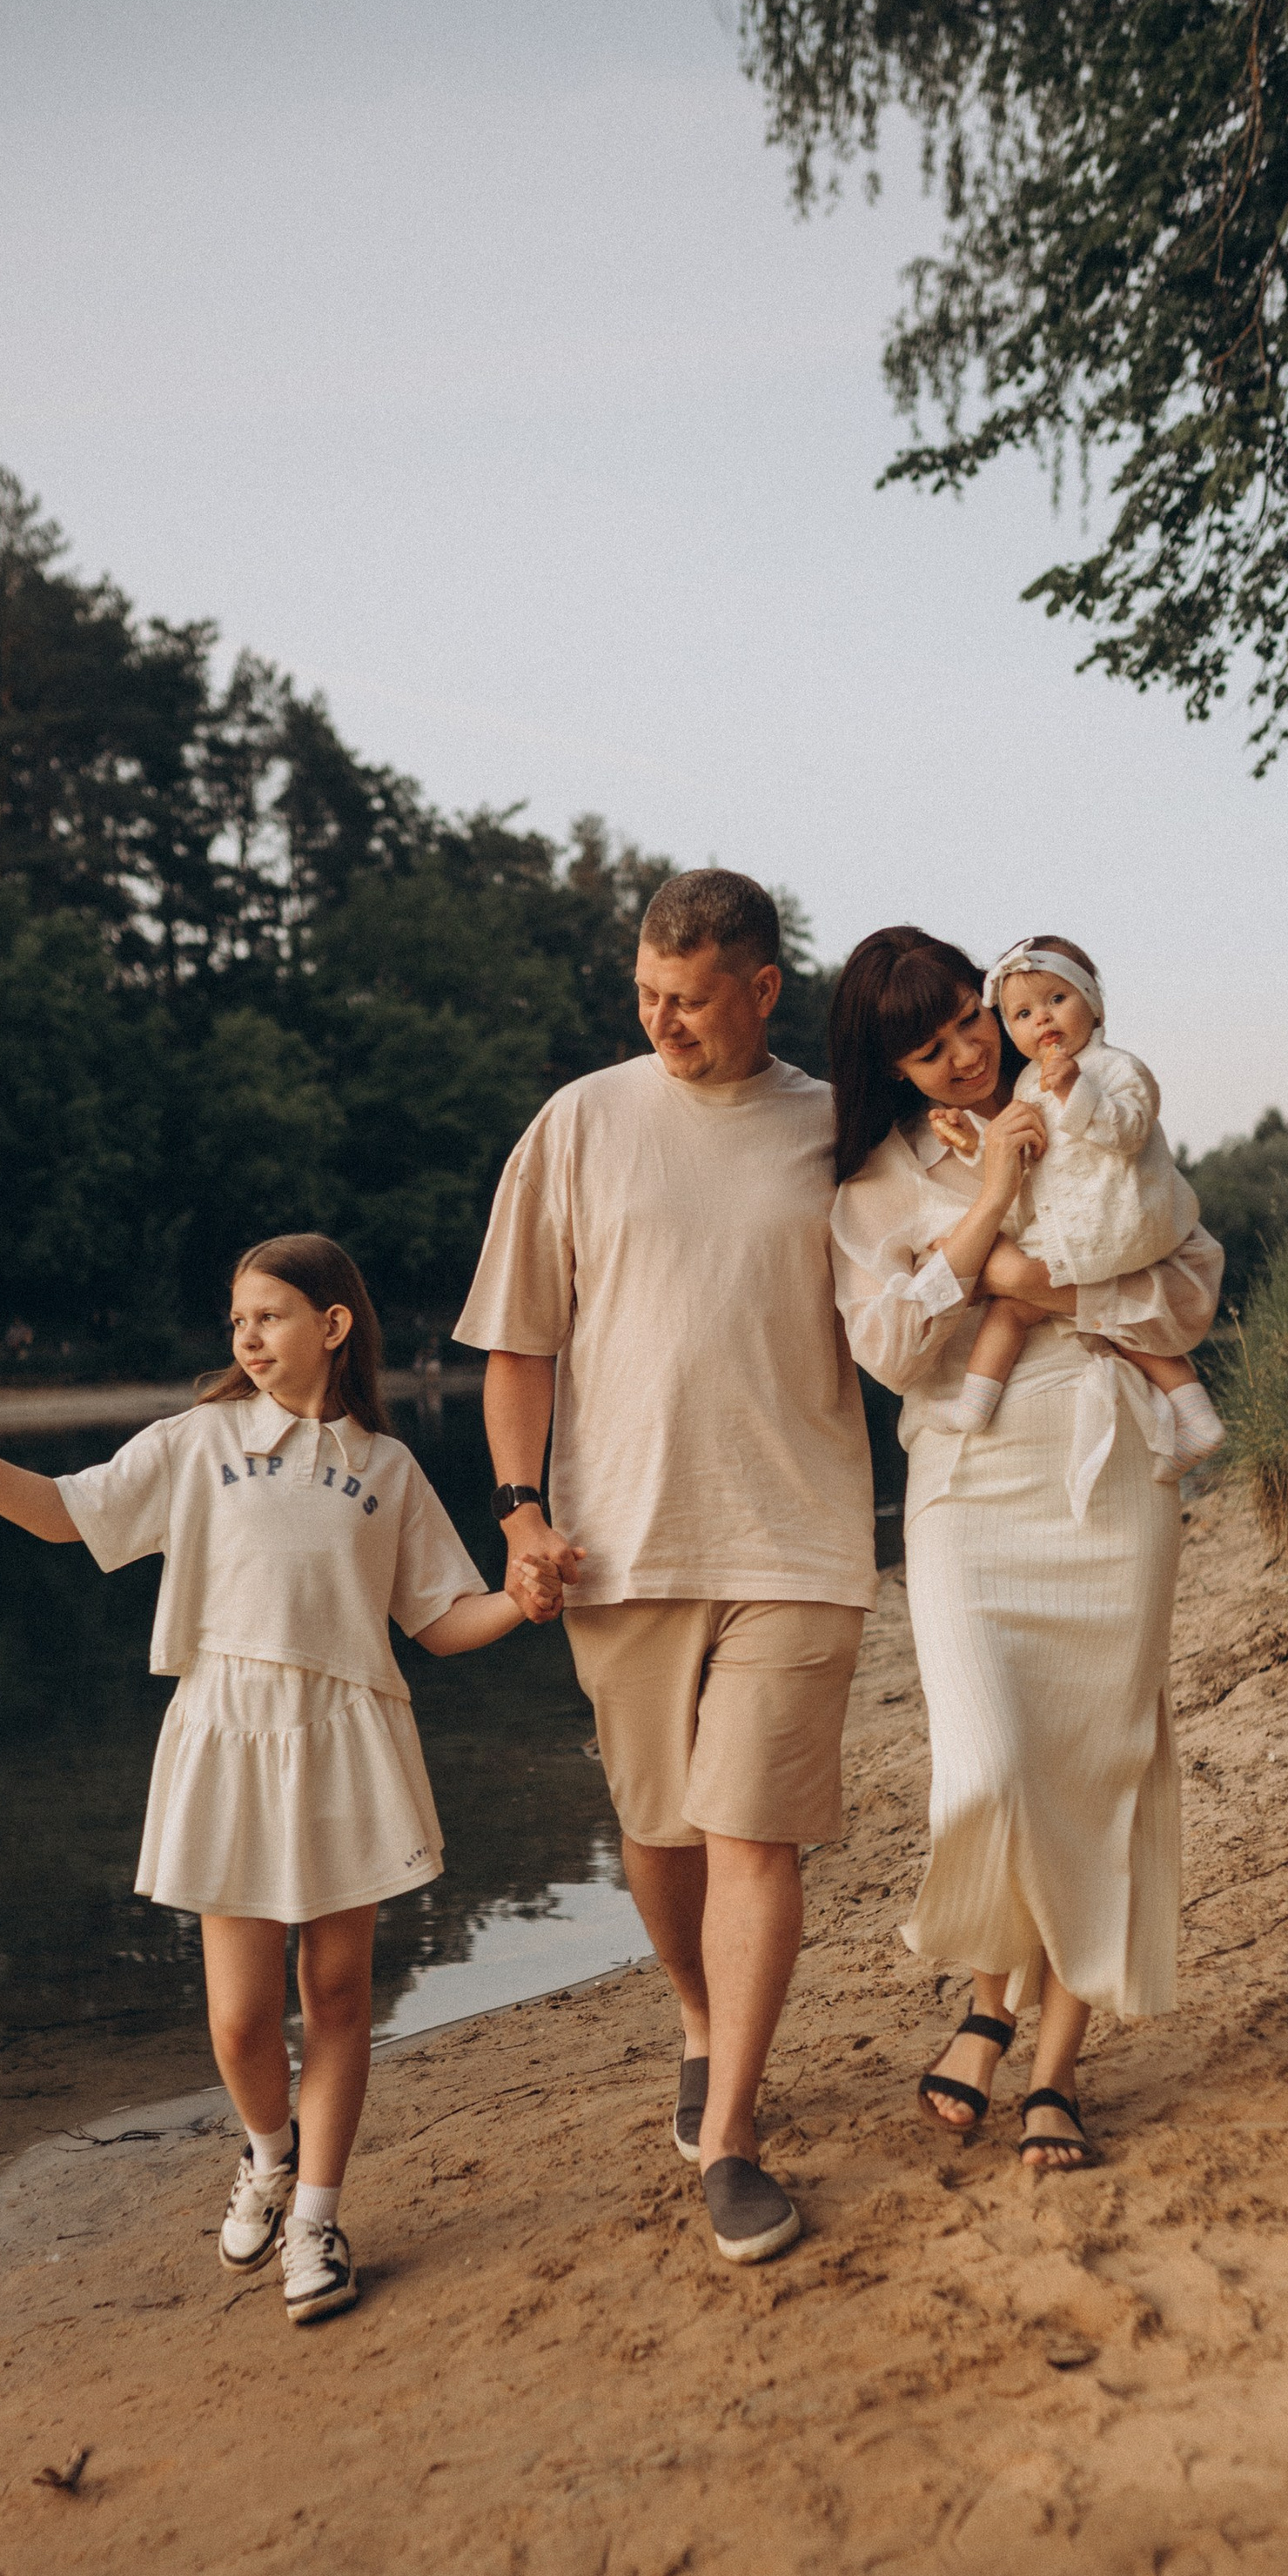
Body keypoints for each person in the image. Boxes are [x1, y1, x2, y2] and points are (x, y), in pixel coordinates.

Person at [0, 1234, 553, 2326]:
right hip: (226, 1728)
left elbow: (441, 1621)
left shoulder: (387, 1469)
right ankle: (269, 2151)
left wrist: (524, 1603)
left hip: (345, 1735)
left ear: (334, 1324)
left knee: (343, 1996)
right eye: (236, 1323)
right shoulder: (197, 1440)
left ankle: (316, 2215)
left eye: (266, 1316)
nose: (246, 1339)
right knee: (236, 2023)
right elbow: (58, 1511)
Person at [454, 870, 877, 2265]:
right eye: (645, 995)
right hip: (621, 1539)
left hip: (798, 1533)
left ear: (762, 989)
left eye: (689, 1001)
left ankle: (738, 2137)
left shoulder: (837, 1130)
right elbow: (520, 1343)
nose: (663, 1022)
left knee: (752, 1826)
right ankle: (698, 2018)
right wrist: (519, 1513)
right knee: (660, 1826)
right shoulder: (580, 1121)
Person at [828, 928, 1211, 2170]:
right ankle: (989, 1996)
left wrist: (1048, 1291)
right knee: (991, 1766)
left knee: (1095, 1763)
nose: (962, 1056)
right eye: (927, 1050)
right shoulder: (876, 1187)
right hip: (970, 1480)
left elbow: (1190, 1288)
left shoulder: (1096, 1104)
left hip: (1107, 1464)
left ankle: (1044, 2060)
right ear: (893, 1070)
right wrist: (990, 1196)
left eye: (967, 1025)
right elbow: (889, 1348)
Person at [943, 936, 1225, 1474]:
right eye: (1022, 1013)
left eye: (1056, 1000)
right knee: (1112, 1321)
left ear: (1093, 1004)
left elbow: (1131, 1131)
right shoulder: (1028, 1082)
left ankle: (971, 1411)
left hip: (1117, 1224)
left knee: (1015, 1306)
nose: (1042, 1020)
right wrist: (976, 1144)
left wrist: (1077, 1092)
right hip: (1081, 1233)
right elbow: (1026, 1156)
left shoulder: (1118, 1069)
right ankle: (1196, 1416)